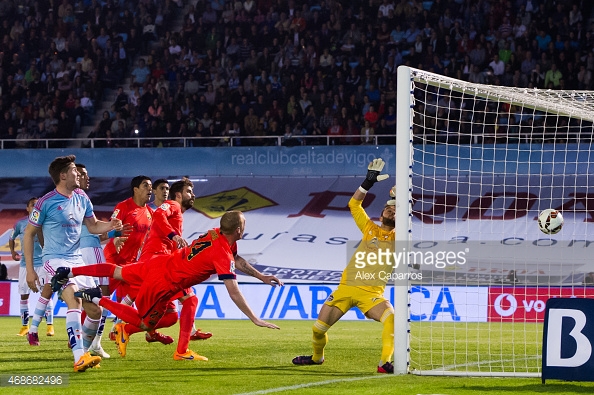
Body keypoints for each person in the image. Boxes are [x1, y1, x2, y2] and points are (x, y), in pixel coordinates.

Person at [51, 211, 283, 361]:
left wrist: (261, 277)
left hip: (158, 264)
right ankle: (96, 299)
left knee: (117, 271)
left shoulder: (215, 235)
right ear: (239, 231)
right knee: (143, 321)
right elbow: (233, 291)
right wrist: (255, 318)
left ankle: (70, 271)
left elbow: (237, 259)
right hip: (164, 283)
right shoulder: (221, 252)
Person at [292, 158, 396, 374]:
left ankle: (384, 363)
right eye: (388, 208)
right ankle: (316, 358)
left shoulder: (402, 236)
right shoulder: (370, 228)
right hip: (346, 288)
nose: (391, 211)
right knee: (318, 329)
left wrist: (403, 199)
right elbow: (354, 204)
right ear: (381, 213)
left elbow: (409, 218)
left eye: (396, 210)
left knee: (391, 319)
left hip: (372, 294)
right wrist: (367, 183)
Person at [24, 155, 122, 372]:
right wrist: (31, 270)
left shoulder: (82, 197)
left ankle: (84, 352)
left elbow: (94, 226)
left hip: (78, 260)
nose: (78, 173)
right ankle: (78, 357)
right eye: (74, 171)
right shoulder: (45, 202)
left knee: (95, 311)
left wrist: (111, 225)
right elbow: (29, 234)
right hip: (55, 260)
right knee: (74, 302)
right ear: (62, 176)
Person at [9, 197, 54, 337]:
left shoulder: (45, 223)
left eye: (37, 205)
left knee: (45, 294)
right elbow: (11, 237)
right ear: (27, 208)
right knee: (24, 295)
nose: (35, 207)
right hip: (25, 265)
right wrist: (12, 251)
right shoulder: (20, 224)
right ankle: (24, 327)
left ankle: (50, 326)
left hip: (42, 264)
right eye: (33, 205)